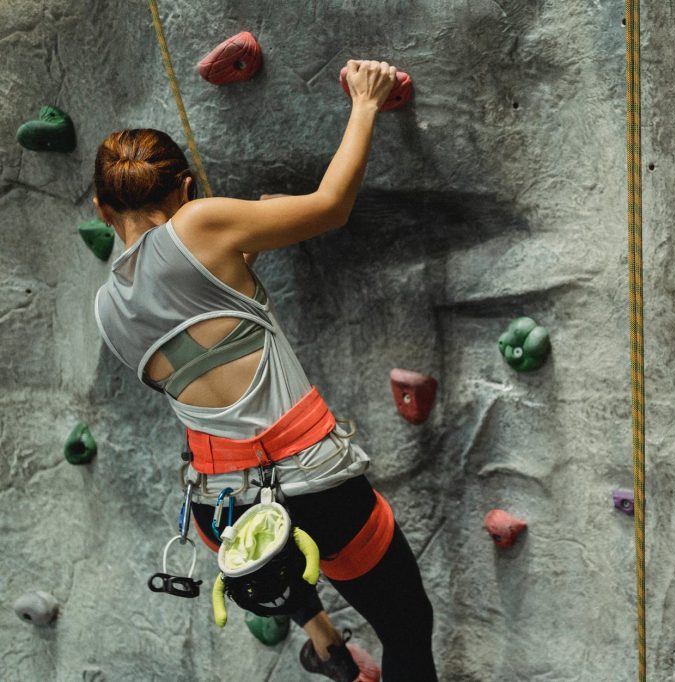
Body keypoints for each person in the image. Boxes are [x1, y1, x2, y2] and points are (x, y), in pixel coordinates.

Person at [92, 59, 438, 681]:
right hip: (313, 486)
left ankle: (324, 640)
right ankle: (344, 647)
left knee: (270, 547)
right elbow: (330, 206)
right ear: (189, 191)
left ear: (100, 209)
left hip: (216, 505)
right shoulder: (201, 225)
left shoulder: (107, 308)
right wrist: (365, 101)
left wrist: (244, 240)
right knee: (408, 628)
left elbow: (193, 310)